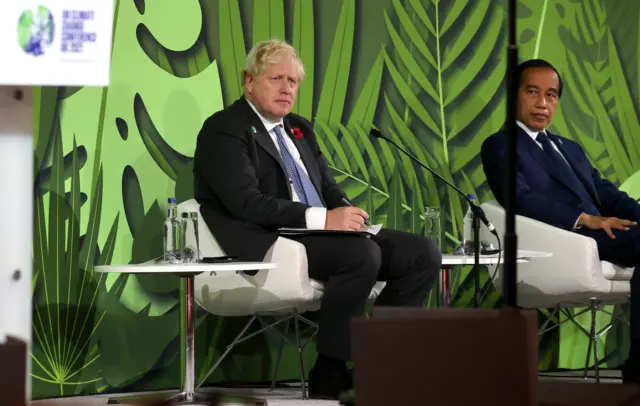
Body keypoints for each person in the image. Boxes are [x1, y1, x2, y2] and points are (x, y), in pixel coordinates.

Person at [193, 39, 442, 399]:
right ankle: (330, 367)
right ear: (249, 81)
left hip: (320, 232)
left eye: (293, 81)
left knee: (422, 254)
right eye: (276, 78)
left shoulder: (298, 128)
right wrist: (324, 218)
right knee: (361, 256)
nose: (286, 89)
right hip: (274, 236)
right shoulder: (225, 128)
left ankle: (381, 365)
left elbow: (326, 186)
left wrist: (347, 212)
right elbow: (247, 203)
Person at [481, 59, 640, 382]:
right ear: (513, 95)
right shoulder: (501, 144)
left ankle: (637, 361)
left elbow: (607, 194)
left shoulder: (569, 147)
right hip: (566, 241)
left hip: (601, 234)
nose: (543, 103)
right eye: (533, 92)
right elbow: (519, 197)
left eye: (551, 95)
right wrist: (584, 219)